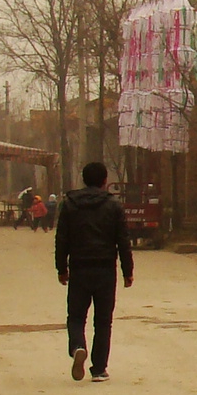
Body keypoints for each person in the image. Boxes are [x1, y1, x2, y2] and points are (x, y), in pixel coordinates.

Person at [55, 161, 133, 382]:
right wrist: (128, 271)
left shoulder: (69, 204)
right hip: (105, 269)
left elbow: (62, 239)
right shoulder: (113, 205)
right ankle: (99, 368)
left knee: (76, 316)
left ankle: (78, 346)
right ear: (104, 181)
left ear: (84, 179)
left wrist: (62, 268)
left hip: (79, 268)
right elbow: (122, 241)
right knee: (103, 320)